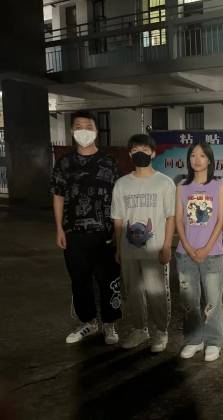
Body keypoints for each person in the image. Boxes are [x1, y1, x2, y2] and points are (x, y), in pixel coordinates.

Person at [50, 110, 122, 345]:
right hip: (73, 233)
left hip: (105, 233)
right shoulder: (64, 163)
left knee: (108, 278)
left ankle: (110, 323)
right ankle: (88, 322)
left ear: (96, 131)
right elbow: (58, 195)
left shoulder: (109, 163)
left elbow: (119, 199)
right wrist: (59, 228)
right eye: (79, 126)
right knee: (79, 280)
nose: (83, 131)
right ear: (72, 131)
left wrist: (118, 231)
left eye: (88, 126)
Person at [111, 133, 176, 353]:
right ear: (130, 154)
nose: (141, 154)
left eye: (145, 150)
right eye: (136, 150)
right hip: (129, 250)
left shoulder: (164, 183)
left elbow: (170, 217)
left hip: (155, 249)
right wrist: (119, 248)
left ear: (153, 153)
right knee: (133, 293)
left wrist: (166, 246)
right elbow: (118, 219)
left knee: (156, 293)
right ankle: (140, 329)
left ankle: (160, 331)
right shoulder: (122, 184)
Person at [175, 141, 223, 362]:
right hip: (185, 253)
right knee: (189, 300)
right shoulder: (182, 186)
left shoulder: (219, 186)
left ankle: (213, 342)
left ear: (209, 160)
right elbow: (179, 220)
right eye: (193, 155)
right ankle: (194, 340)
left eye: (202, 156)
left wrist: (206, 248)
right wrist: (188, 247)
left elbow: (220, 221)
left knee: (213, 301)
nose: (197, 160)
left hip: (212, 253)